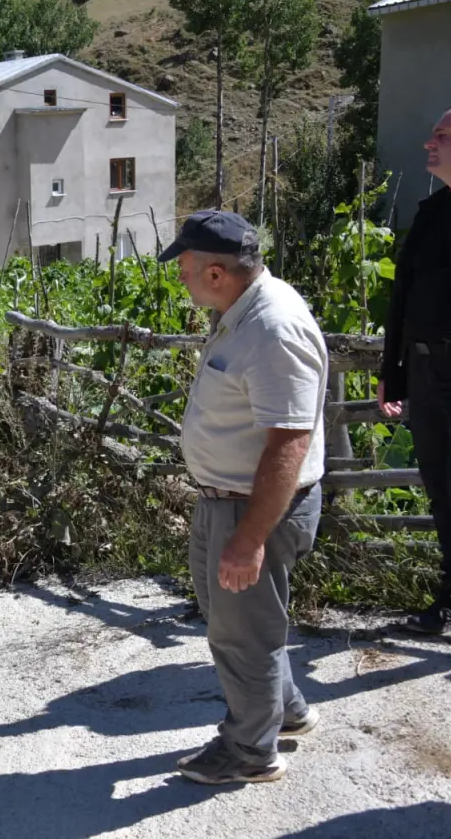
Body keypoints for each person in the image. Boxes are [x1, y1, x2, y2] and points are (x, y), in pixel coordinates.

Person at [163, 211, 328, 785]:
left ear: (215, 273)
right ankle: (285, 711)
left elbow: (289, 441)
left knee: (243, 633)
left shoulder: (272, 327)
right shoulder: (245, 309)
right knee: (233, 621)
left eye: (183, 267)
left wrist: (250, 536)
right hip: (225, 500)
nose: (179, 276)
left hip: (249, 508)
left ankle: (251, 751)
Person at [378, 106, 451, 635]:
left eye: (441, 136)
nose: (429, 144)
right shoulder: (430, 214)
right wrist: (393, 368)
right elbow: (400, 296)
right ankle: (449, 602)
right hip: (427, 374)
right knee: (440, 486)